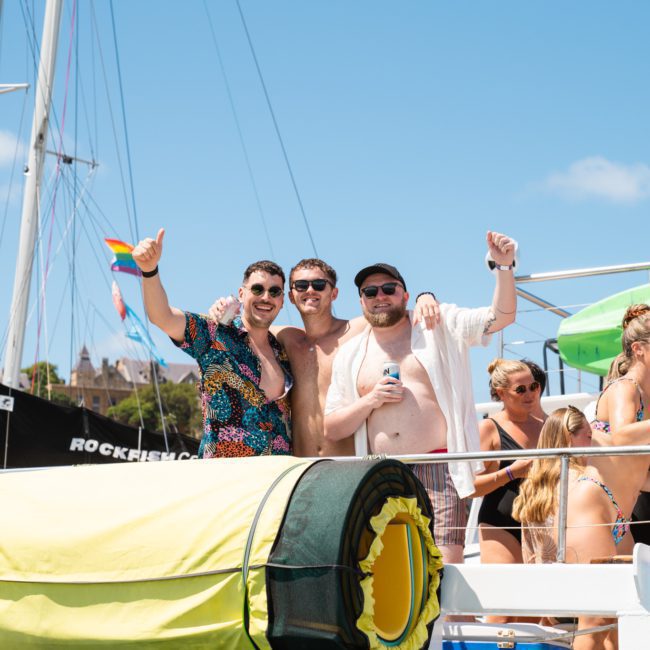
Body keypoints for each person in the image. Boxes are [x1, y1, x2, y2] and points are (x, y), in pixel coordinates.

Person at [323, 231, 517, 564]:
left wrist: (503, 268)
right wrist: (370, 401)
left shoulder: (437, 325)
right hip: (381, 473)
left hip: (438, 467)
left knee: (444, 566)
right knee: (389, 569)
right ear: (361, 302)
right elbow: (332, 427)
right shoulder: (351, 353)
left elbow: (501, 317)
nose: (379, 296)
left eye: (388, 289)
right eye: (370, 291)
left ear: (405, 294)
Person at [210, 258, 440, 457]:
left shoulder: (359, 329)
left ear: (334, 293)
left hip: (349, 463)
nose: (310, 290)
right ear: (290, 296)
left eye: (319, 285)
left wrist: (424, 297)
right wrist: (219, 311)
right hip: (301, 467)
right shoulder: (287, 338)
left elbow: (393, 311)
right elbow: (247, 326)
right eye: (301, 285)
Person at [132, 229, 292, 458]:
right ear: (241, 293)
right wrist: (149, 271)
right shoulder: (213, 333)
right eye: (257, 289)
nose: (266, 297)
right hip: (224, 479)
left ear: (282, 300)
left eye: (274, 291)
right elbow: (162, 317)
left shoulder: (283, 352)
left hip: (275, 483)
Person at [471, 358, 546, 623]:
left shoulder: (547, 425)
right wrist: (511, 472)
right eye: (521, 389)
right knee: (502, 608)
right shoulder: (489, 429)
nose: (530, 394)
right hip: (500, 521)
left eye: (534, 386)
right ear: (501, 393)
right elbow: (470, 488)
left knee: (532, 613)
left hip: (541, 523)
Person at [512, 406, 592, 565]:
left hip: (545, 579)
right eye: (589, 436)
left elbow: (528, 554)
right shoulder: (584, 481)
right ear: (569, 439)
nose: (593, 443)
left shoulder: (531, 486)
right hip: (579, 576)